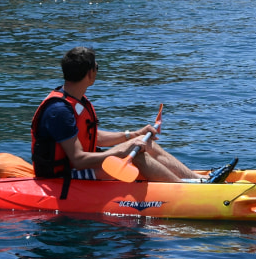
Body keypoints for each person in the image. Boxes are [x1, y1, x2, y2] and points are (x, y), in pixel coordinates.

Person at [31, 47, 235, 184]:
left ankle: (199, 181)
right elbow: (79, 160)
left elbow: (92, 136)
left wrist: (134, 135)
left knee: (145, 144)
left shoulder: (75, 101)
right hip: (64, 175)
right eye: (96, 68)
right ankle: (185, 189)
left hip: (78, 166)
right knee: (136, 156)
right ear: (90, 74)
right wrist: (125, 150)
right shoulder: (59, 111)